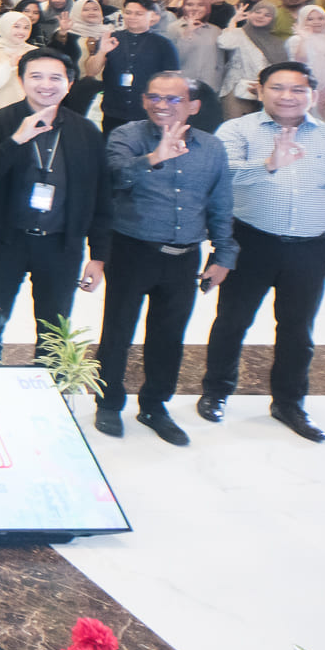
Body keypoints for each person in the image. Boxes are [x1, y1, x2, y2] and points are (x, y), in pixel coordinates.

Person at [92, 72, 234, 445]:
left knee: (169, 336)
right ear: (143, 101)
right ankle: (108, 402)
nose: (161, 105)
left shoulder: (212, 148)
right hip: (132, 250)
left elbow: (220, 203)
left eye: (173, 99)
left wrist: (223, 253)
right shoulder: (126, 136)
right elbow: (113, 178)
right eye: (154, 97)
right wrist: (154, 158)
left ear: (193, 106)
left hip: (184, 257)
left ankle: (155, 406)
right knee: (118, 331)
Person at [200, 62, 325, 443]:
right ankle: (216, 391)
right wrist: (268, 165)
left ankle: (289, 403)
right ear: (259, 91)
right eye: (277, 88)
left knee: (298, 330)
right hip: (251, 241)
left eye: (297, 89)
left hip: (310, 246)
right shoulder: (237, 130)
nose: (287, 96)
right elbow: (219, 176)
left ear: (313, 94)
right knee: (232, 321)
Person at [0, 47, 111, 365]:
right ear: (21, 80)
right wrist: (15, 141)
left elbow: (100, 196)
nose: (46, 85)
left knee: (54, 329)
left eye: (55, 78)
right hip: (4, 242)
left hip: (60, 246)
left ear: (69, 83)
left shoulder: (85, 132)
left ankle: (51, 386)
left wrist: (98, 256)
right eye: (36, 77)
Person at [84, 0, 178, 131]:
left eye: (138, 14)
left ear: (152, 16)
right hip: (113, 110)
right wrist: (102, 52)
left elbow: (173, 80)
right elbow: (91, 72)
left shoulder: (163, 44)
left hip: (148, 112)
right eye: (128, 13)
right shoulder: (111, 38)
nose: (132, 17)